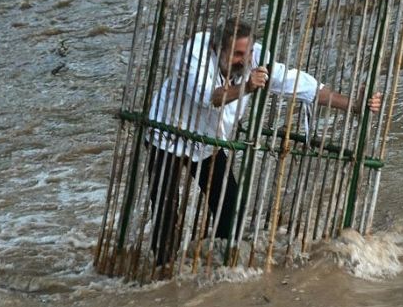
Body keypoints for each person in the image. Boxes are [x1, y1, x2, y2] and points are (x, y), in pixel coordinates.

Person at [146, 17, 381, 266]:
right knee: (165, 209)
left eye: (246, 53)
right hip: (169, 134)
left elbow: (299, 84)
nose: (244, 60)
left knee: (230, 209)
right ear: (217, 49)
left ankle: (218, 264)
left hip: (208, 141)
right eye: (237, 54)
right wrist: (247, 87)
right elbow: (209, 97)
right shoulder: (195, 53)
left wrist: (355, 105)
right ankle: (163, 269)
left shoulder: (256, 58)